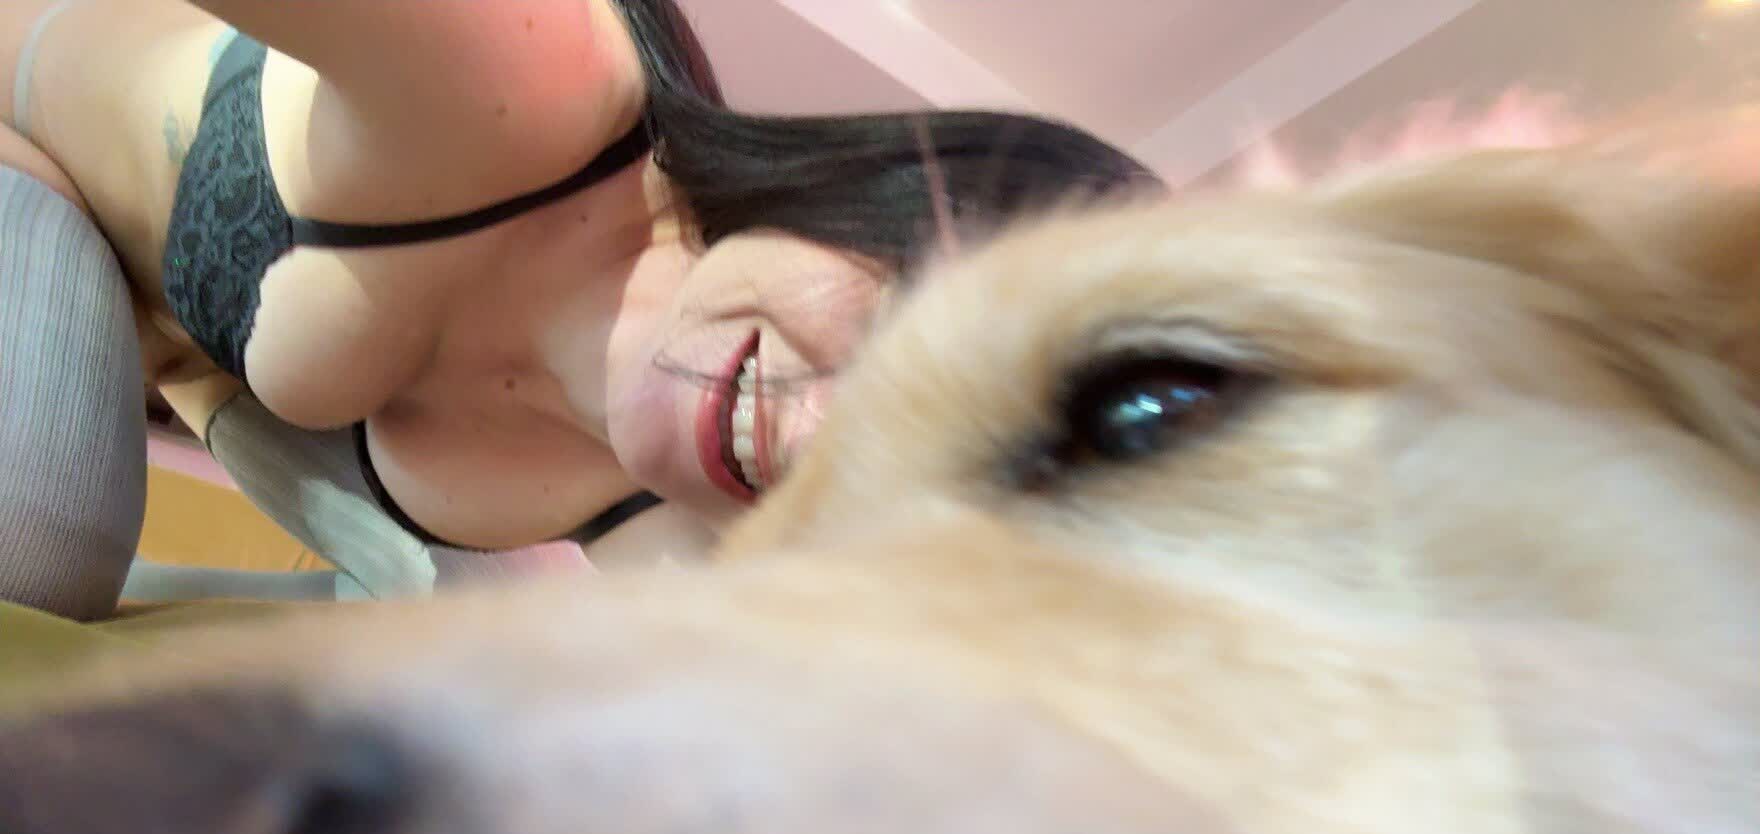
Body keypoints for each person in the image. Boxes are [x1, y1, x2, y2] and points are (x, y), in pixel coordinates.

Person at [0, 0, 1161, 615]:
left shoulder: (693, 494)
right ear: (890, 196)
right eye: (906, 354)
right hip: (21, 137)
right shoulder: (536, 86)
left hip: (175, 352)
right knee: (34, 556)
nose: (809, 445)